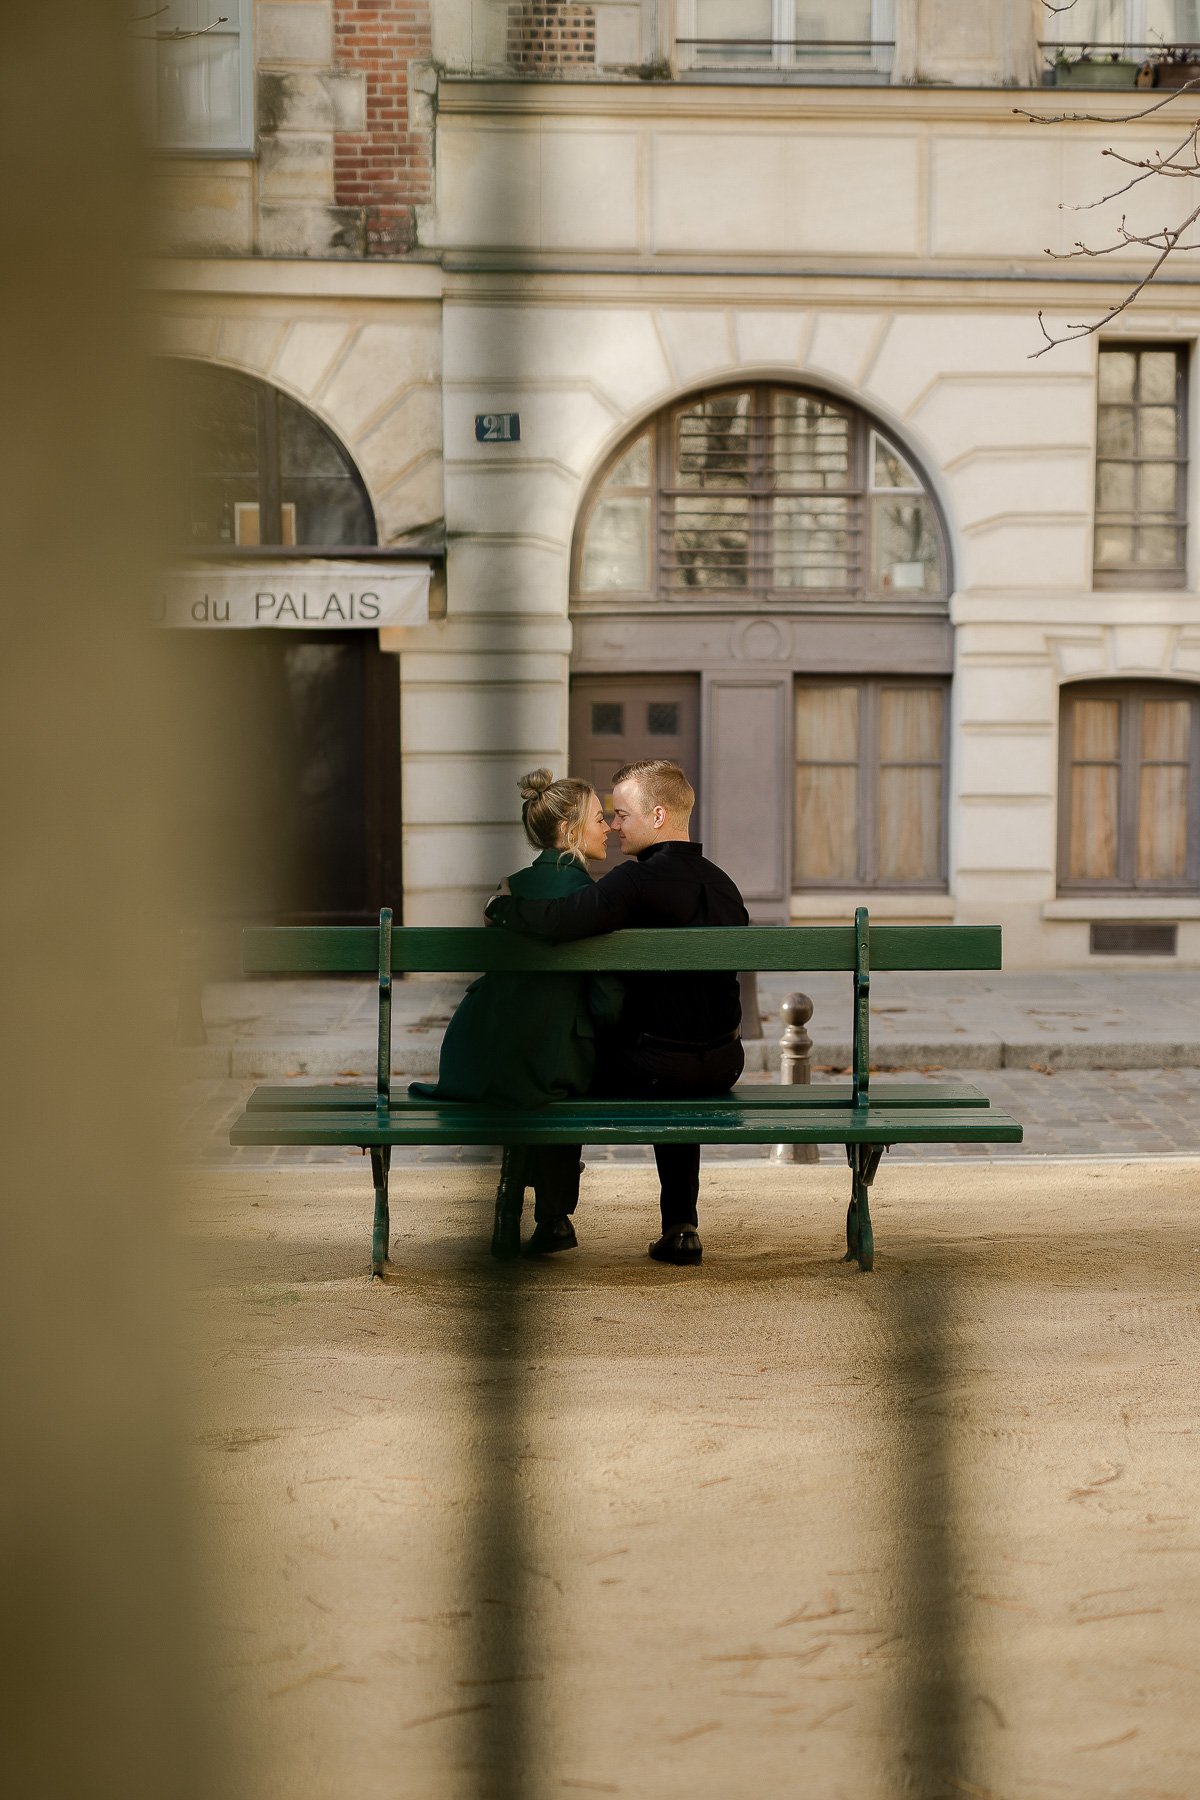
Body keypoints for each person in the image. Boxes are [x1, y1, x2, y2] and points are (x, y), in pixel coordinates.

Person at [485, 759, 748, 1267]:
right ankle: (680, 1226)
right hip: (721, 1063)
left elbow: (561, 921)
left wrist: (502, 907)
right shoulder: (724, 885)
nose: (614, 824)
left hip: (651, 1066)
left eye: (622, 814)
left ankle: (551, 1216)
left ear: (656, 815)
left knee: (567, 1057)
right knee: (678, 1072)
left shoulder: (636, 882)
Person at [410, 769, 620, 1256]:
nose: (607, 826)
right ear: (570, 832)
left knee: (532, 1066)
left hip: (481, 1053)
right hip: (552, 1063)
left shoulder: (507, 890)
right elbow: (606, 998)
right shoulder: (591, 899)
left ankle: (511, 1203)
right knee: (561, 1069)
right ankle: (553, 1216)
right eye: (597, 818)